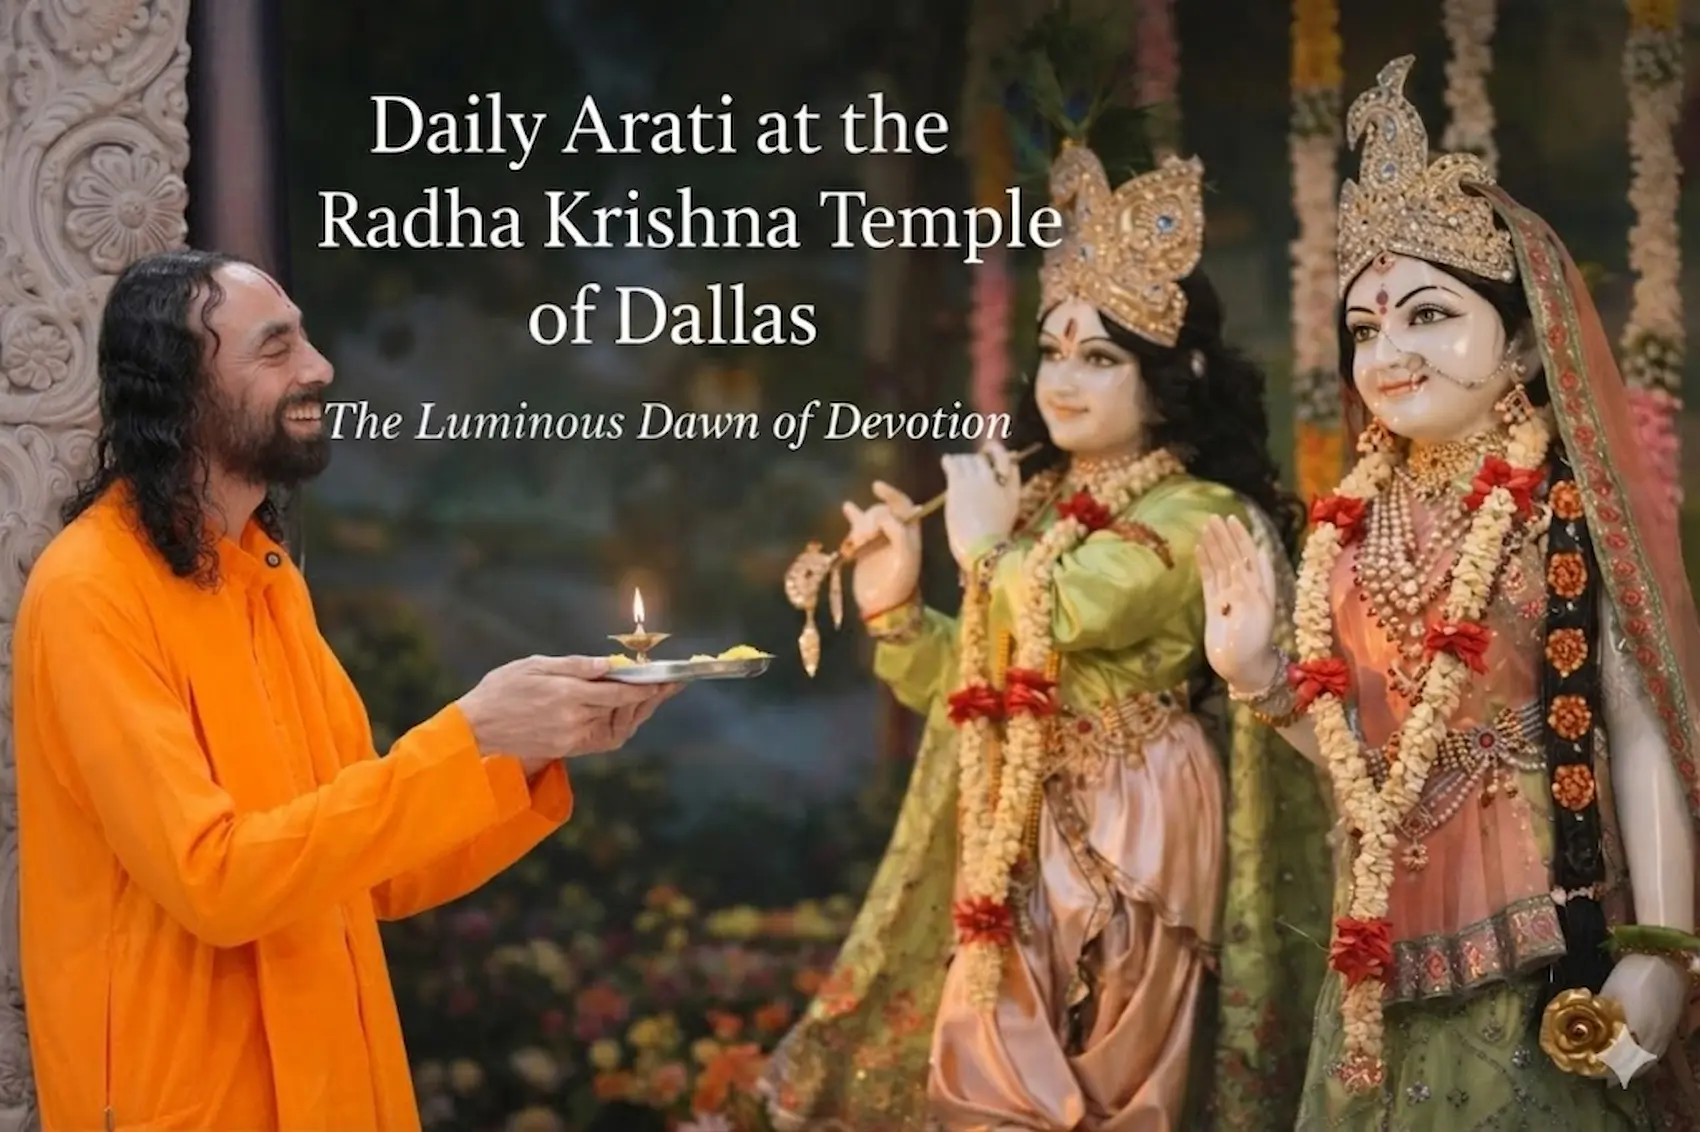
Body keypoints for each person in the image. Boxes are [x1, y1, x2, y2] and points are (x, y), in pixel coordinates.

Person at [12, 248, 678, 1132]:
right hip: (187, 1102)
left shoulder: (265, 574)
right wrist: (467, 737)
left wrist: (529, 747)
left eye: (307, 341)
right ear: (180, 386)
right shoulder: (90, 591)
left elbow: (374, 869)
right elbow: (215, 881)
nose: (320, 368)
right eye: (276, 347)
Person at [760, 142, 1333, 1131]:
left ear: (1175, 374)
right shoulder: (1037, 512)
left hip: (1136, 814)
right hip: (1013, 819)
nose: (1060, 380)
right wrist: (896, 606)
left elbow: (1075, 612)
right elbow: (972, 679)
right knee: (982, 1074)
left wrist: (985, 553)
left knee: (1100, 1089)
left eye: (1098, 357)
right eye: (1053, 351)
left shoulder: (1201, 514)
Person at [1199, 56, 1700, 1131]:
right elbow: (1367, 754)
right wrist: (1261, 683)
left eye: (1426, 315)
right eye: (1367, 329)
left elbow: (1640, 722)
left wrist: (1661, 945)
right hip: (1382, 932)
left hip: (1546, 918)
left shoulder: (1561, 510)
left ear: (1519, 339)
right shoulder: (1348, 521)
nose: (1387, 352)